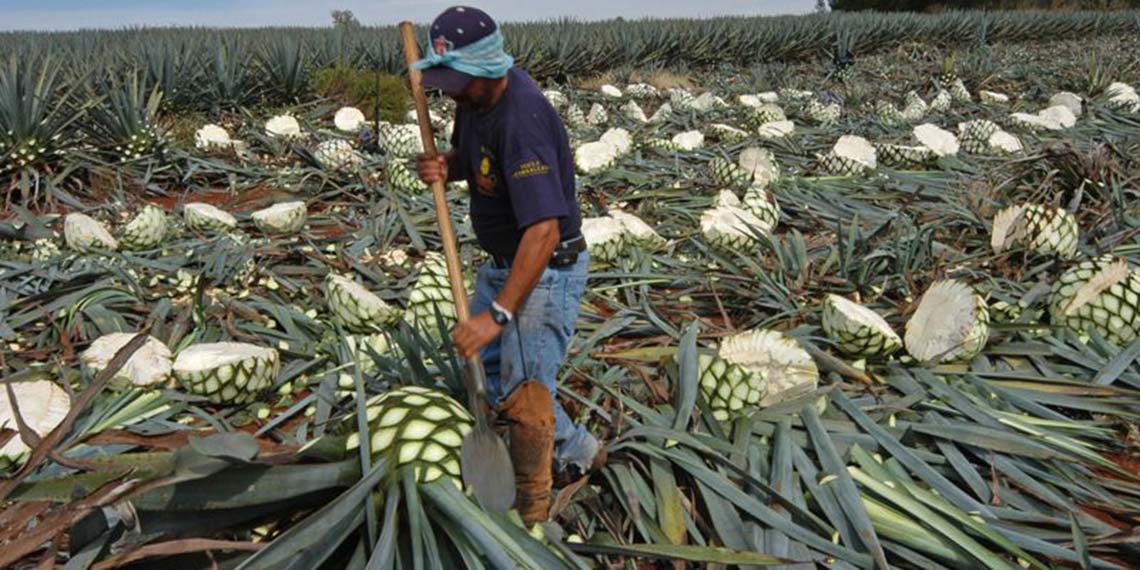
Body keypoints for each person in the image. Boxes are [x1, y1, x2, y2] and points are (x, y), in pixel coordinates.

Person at [411, 5, 603, 526]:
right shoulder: (473, 101)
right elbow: (474, 160)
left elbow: (543, 231)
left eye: (456, 80)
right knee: (493, 377)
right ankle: (573, 448)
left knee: (524, 396)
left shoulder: (522, 118)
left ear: (488, 67)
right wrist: (444, 166)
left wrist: (497, 313)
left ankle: (540, 499)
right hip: (504, 263)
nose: (448, 90)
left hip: (543, 269)